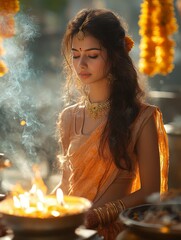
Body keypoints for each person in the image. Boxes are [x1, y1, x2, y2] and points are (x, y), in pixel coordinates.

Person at [54, 8, 169, 240]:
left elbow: (150, 192)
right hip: (70, 231)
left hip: (112, 233)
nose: (81, 64)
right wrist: (31, 207)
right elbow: (65, 187)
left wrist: (98, 215)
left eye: (92, 55)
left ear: (115, 56)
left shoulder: (141, 118)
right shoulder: (68, 117)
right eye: (75, 55)